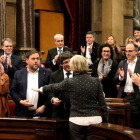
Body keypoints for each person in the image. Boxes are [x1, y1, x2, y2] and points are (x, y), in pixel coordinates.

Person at [33, 55, 108, 140]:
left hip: (76, 120)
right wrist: (105, 123)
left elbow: (54, 87)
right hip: (95, 120)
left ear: (73, 66)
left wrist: (42, 88)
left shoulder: (70, 82)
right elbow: (103, 105)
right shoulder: (96, 81)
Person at [11, 50, 52, 117]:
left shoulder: (48, 73)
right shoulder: (18, 74)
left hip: (42, 113)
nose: (36, 61)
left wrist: (44, 106)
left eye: (37, 59)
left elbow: (51, 92)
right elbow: (13, 91)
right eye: (33, 59)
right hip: (22, 112)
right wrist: (20, 101)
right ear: (27, 60)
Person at [114, 42, 140, 129]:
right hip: (123, 97)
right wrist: (120, 77)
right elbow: (115, 79)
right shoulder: (122, 63)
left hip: (136, 98)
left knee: (137, 125)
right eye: (126, 51)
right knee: (123, 125)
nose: (127, 53)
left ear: (136, 51)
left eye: (130, 51)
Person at [49, 51, 73, 119]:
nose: (69, 64)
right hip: (59, 111)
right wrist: (53, 99)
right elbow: (51, 92)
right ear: (61, 64)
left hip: (76, 111)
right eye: (66, 62)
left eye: (70, 61)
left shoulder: (79, 74)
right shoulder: (54, 75)